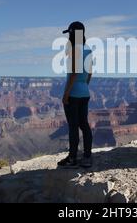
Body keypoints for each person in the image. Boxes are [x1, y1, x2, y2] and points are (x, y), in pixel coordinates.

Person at [57, 22, 93, 169]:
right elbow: (89, 73)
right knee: (84, 124)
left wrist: (66, 94)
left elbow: (73, 74)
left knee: (73, 126)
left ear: (73, 34)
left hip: (73, 94)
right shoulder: (88, 50)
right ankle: (87, 157)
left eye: (69, 34)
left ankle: (72, 158)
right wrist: (84, 86)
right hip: (85, 92)